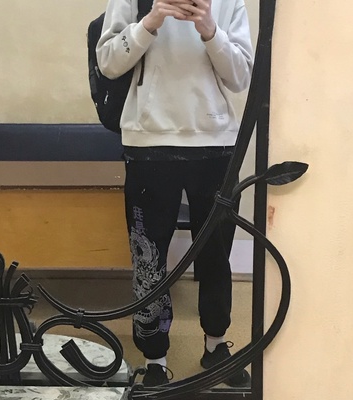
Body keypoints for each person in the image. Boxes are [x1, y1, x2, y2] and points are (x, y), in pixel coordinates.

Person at [97, 0, 253, 387]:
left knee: (216, 252)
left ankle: (216, 343)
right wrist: (151, 20)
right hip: (148, 142)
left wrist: (210, 30)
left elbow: (241, 77)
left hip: (215, 143)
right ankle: (155, 358)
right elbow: (108, 63)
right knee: (149, 257)